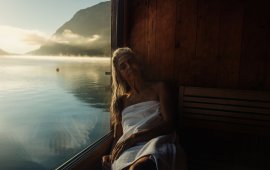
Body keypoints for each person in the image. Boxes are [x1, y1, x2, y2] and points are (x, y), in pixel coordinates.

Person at [102, 47, 186, 170]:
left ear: (138, 63)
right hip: (129, 147)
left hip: (156, 140)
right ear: (120, 74)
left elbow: (170, 124)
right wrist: (110, 154)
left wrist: (134, 138)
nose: (129, 67)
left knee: (140, 167)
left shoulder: (159, 88)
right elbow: (118, 136)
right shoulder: (122, 101)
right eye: (123, 66)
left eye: (130, 61)